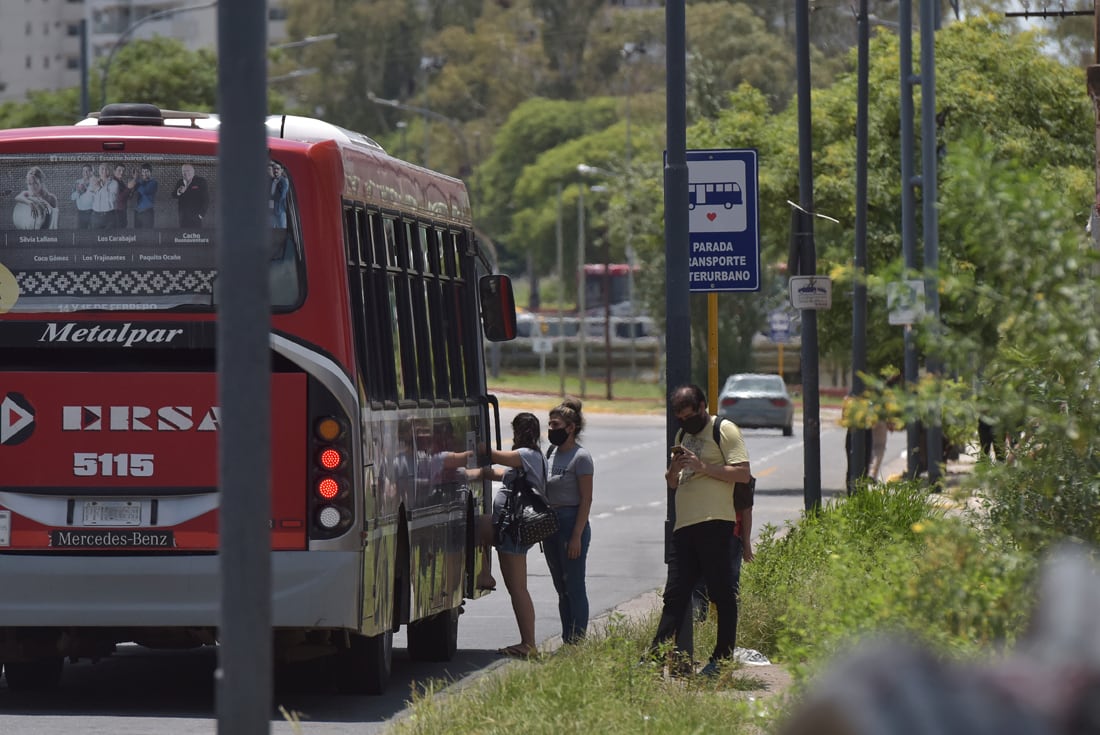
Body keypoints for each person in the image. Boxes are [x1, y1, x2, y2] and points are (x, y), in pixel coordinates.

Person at [644, 384, 751, 678]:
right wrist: (674, 469)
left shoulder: (724, 429)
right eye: (680, 419)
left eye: (690, 417)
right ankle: (654, 657)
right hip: (685, 526)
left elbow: (742, 472)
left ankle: (722, 658)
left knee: (721, 593)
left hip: (716, 521)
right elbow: (672, 483)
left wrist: (702, 466)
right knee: (675, 594)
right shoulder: (683, 436)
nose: (686, 423)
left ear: (703, 405)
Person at [474, 412, 548, 659]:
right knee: (476, 528)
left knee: (518, 589)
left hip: (515, 530)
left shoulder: (527, 455)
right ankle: (485, 574)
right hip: (507, 527)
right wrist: (475, 472)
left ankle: (528, 643)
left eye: (516, 431)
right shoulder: (525, 461)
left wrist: (471, 444)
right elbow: (496, 473)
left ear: (519, 432)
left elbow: (492, 455)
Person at [542, 397, 594, 644]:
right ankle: (567, 639)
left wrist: (576, 536)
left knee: (573, 586)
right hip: (552, 524)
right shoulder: (551, 452)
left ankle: (578, 641)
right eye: (550, 425)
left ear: (571, 427)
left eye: (555, 425)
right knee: (561, 588)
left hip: (571, 522)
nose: (551, 430)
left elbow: (586, 499)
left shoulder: (581, 457)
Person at [172, 163, 209, 228]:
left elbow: (206, 199)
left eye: (188, 170)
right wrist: (179, 192)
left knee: (196, 236)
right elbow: (174, 195)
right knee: (183, 236)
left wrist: (201, 214)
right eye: (183, 171)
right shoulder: (180, 182)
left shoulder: (201, 181)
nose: (186, 173)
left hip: (196, 216)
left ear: (193, 171)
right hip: (183, 217)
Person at [128, 163, 158, 229]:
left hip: (147, 212)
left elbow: (145, 191)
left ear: (150, 172)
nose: (144, 173)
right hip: (138, 212)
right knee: (137, 234)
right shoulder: (139, 182)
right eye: (143, 171)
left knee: (148, 234)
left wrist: (137, 180)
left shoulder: (153, 182)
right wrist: (133, 180)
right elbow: (130, 194)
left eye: (147, 171)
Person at [89, 162, 117, 230]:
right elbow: (90, 199)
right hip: (96, 216)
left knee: (109, 238)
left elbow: (112, 199)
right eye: (102, 169)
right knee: (96, 238)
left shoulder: (114, 183)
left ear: (109, 171)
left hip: (109, 216)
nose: (104, 171)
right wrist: (93, 187)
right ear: (99, 171)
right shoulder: (93, 182)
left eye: (106, 169)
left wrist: (101, 187)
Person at [70, 164, 96, 229]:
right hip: (81, 213)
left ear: (92, 172)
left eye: (88, 171)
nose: (85, 173)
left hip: (93, 212)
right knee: (80, 234)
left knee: (94, 233)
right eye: (84, 171)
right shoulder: (77, 182)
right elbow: (72, 197)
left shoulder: (96, 182)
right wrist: (79, 191)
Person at [269, 161, 289, 228]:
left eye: (277, 168)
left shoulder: (284, 181)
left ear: (281, 170)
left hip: (280, 211)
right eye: (274, 168)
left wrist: (271, 198)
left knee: (281, 229)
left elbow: (282, 196)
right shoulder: (271, 180)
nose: (276, 170)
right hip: (271, 211)